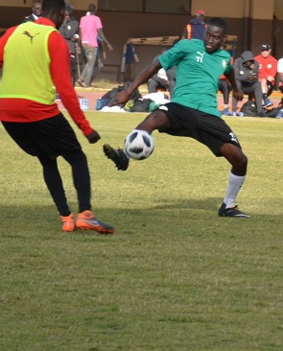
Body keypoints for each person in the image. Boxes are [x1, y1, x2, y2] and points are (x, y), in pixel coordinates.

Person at [0, 0, 113, 234]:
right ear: (61, 14)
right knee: (76, 156)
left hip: (8, 114)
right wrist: (86, 128)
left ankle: (65, 218)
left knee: (47, 158)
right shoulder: (55, 39)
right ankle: (85, 215)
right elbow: (66, 90)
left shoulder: (13, 31)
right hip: (39, 111)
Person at [103, 18, 252, 218]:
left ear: (223, 39)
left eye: (215, 38)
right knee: (154, 118)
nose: (210, 40)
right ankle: (125, 155)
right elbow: (156, 65)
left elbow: (230, 71)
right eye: (208, 35)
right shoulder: (187, 46)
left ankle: (228, 206)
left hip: (208, 115)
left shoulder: (224, 57)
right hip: (181, 107)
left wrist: (235, 89)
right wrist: (130, 90)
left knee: (240, 159)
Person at [79, 4, 113, 87]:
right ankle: (85, 82)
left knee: (89, 62)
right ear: (95, 10)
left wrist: (78, 44)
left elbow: (80, 31)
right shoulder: (96, 19)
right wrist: (108, 43)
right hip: (92, 43)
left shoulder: (83, 18)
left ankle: (82, 78)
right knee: (91, 64)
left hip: (84, 42)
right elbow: (100, 33)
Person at [232, 51, 265, 116]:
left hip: (249, 85)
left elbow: (256, 77)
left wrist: (252, 71)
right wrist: (247, 77)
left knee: (258, 84)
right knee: (236, 83)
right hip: (240, 86)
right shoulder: (238, 62)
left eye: (250, 60)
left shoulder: (255, 64)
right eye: (247, 61)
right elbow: (235, 77)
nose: (249, 62)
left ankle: (259, 111)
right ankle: (234, 110)